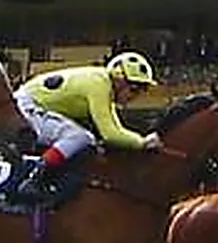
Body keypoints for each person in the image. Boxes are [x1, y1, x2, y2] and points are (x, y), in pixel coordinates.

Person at [12, 51, 163, 201]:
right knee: (80, 137)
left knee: (85, 139)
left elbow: (116, 130)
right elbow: (109, 134)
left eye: (141, 91)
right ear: (119, 78)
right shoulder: (99, 85)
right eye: (134, 89)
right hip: (26, 107)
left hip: (32, 106)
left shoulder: (104, 85)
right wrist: (143, 142)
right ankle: (35, 179)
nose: (134, 96)